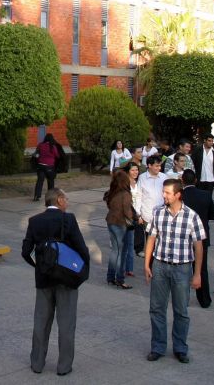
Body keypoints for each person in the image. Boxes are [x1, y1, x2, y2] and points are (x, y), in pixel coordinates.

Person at [21, 188, 90, 376]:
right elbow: (82, 248)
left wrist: (38, 266)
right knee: (66, 323)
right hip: (67, 279)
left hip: (43, 278)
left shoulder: (35, 221)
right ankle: (63, 366)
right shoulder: (68, 219)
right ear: (59, 200)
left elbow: (25, 251)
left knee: (41, 322)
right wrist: (82, 272)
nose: (67, 202)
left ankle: (37, 363)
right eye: (66, 198)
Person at [144, 179, 206, 364]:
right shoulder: (158, 213)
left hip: (182, 268)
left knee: (181, 311)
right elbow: (151, 238)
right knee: (156, 309)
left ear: (178, 195)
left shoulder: (191, 216)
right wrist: (147, 264)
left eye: (167, 193)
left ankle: (180, 348)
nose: (164, 195)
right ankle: (158, 347)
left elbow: (199, 247)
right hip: (160, 266)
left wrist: (197, 273)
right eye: (163, 192)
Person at [181, 169, 214, 308]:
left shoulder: (180, 196)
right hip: (201, 236)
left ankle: (183, 299)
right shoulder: (206, 195)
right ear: (196, 180)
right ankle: (204, 300)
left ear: (182, 181)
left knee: (183, 269)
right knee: (201, 268)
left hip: (184, 236)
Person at [104, 170, 135, 289]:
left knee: (115, 251)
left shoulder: (112, 192)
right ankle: (120, 279)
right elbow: (127, 211)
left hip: (111, 221)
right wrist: (134, 220)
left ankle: (110, 277)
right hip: (121, 223)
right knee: (121, 252)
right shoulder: (125, 194)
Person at [135, 155, 168, 245]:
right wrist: (138, 214)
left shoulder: (164, 177)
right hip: (147, 215)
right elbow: (138, 196)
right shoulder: (142, 177)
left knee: (161, 240)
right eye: (156, 166)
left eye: (160, 166)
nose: (159, 168)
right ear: (149, 165)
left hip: (162, 215)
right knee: (150, 240)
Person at [122, 163, 145, 274]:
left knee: (131, 243)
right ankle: (121, 268)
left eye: (137, 170)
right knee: (125, 244)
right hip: (127, 216)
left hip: (137, 215)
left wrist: (139, 214)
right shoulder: (124, 184)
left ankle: (129, 269)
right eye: (133, 170)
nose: (135, 172)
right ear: (128, 172)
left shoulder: (139, 182)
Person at [32, 134, 61, 202]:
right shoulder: (53, 147)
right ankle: (50, 198)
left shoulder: (40, 145)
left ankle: (36, 196)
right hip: (49, 166)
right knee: (50, 181)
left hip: (41, 166)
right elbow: (57, 155)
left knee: (40, 181)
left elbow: (36, 154)